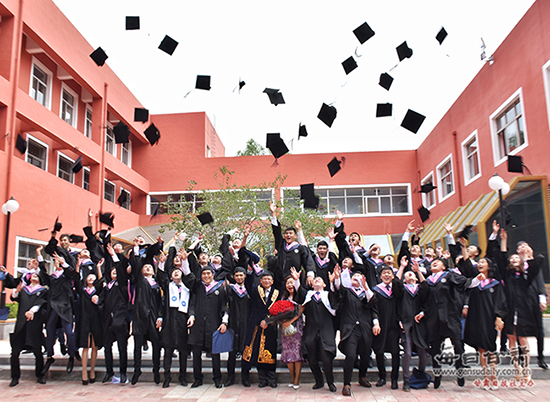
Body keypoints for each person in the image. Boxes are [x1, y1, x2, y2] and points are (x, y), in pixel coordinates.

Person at [488, 223, 543, 382]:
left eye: (516, 258)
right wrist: (503, 240)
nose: (513, 260)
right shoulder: (507, 275)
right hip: (510, 310)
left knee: (523, 339)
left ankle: (526, 368)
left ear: (521, 262)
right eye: (511, 259)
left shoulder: (527, 276)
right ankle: (517, 366)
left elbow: (538, 262)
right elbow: (502, 256)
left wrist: (527, 256)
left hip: (524, 310)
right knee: (511, 338)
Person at [423, 257, 485, 388]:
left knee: (457, 345)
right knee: (435, 348)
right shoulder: (428, 281)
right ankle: (437, 374)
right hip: (434, 318)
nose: (434, 262)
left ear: (444, 266)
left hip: (450, 315)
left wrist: (477, 280)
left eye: (438, 261)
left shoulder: (450, 276)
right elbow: (424, 300)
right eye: (433, 262)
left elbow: (466, 283)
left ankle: (460, 371)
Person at [181, 250, 228, 388]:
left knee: (215, 354)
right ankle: (198, 379)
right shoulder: (198, 286)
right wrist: (184, 261)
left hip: (214, 325)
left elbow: (225, 306)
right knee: (196, 354)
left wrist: (224, 322)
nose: (206, 276)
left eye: (209, 273)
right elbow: (188, 276)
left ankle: (217, 378)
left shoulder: (219, 288)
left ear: (213, 275)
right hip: (198, 325)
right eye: (204, 274)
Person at [331, 265, 380, 396]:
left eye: (360, 277)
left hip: (365, 329)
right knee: (351, 355)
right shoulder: (347, 292)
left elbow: (372, 304)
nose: (357, 278)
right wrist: (337, 278)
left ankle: (362, 377)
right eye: (354, 277)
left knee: (365, 354)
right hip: (350, 329)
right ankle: (346, 384)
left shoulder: (367, 293)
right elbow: (339, 289)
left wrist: (366, 287)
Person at [462, 252, 507, 390]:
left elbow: (500, 301)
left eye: (483, 262)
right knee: (481, 348)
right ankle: (486, 377)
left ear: (489, 266)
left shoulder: (495, 284)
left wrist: (499, 317)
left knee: (491, 347)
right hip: (476, 318)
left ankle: (494, 376)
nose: (480, 264)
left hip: (489, 318)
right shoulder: (475, 283)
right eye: (479, 262)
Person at [0, 265, 48, 387]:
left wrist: (32, 311)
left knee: (37, 351)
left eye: (36, 275)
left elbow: (41, 303)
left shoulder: (43, 291)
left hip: (34, 324)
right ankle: (15, 377)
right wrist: (16, 291)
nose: (34, 276)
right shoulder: (24, 290)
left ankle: (40, 375)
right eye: (32, 275)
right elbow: (14, 298)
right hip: (21, 324)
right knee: (15, 352)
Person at [292, 268, 338, 393]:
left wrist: (333, 282)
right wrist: (296, 280)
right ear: (311, 285)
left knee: (326, 358)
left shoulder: (328, 295)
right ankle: (319, 381)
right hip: (311, 330)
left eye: (320, 279)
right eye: (315, 280)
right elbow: (300, 292)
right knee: (311, 358)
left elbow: (335, 297)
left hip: (326, 330)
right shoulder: (309, 295)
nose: (317, 280)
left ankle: (330, 382)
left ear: (324, 284)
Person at [129, 237, 164, 385]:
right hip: (140, 316)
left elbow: (161, 302)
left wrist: (160, 317)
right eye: (145, 267)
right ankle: (137, 370)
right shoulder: (140, 280)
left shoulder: (157, 283)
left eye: (150, 267)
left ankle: (156, 370)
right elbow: (137, 264)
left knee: (156, 344)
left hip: (153, 316)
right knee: (137, 345)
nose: (148, 268)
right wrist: (136, 248)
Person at [40, 253, 79, 375]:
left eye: (60, 262)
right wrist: (40, 259)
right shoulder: (52, 277)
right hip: (52, 307)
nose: (58, 263)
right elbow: (43, 276)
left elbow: (75, 275)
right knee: (50, 332)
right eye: (56, 262)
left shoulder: (67, 276)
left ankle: (71, 355)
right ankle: (50, 356)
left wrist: (64, 263)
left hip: (65, 307)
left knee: (69, 332)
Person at [157, 249, 191, 388]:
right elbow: (161, 276)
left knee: (183, 351)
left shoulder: (187, 288)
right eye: (174, 272)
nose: (176, 273)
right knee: (168, 351)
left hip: (182, 320)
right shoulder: (168, 286)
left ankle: (183, 377)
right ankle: (167, 377)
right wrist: (161, 263)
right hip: (170, 320)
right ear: (170, 277)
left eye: (178, 271)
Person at [242, 270, 281, 388]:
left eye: (269, 279)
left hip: (271, 325)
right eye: (265, 279)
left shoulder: (277, 293)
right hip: (256, 323)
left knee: (270, 350)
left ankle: (272, 379)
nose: (267, 281)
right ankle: (262, 379)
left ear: (272, 281)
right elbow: (248, 284)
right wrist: (250, 272)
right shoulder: (256, 290)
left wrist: (269, 321)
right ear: (261, 280)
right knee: (258, 349)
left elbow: (279, 310)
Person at [396, 258, 429, 392]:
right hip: (405, 323)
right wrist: (402, 267)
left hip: (419, 324)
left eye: (412, 274)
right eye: (407, 275)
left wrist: (418, 271)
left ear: (416, 278)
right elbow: (396, 283)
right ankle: (406, 381)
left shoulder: (420, 289)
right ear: (404, 280)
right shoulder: (403, 290)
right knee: (408, 353)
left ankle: (420, 375)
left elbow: (426, 289)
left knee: (422, 352)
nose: (410, 275)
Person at [102, 244, 131, 384]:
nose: (114, 272)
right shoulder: (106, 287)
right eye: (112, 271)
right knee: (107, 346)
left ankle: (123, 372)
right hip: (108, 320)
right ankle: (109, 372)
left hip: (120, 319)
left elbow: (119, 268)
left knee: (121, 347)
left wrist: (114, 255)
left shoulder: (122, 284)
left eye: (116, 271)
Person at [371, 264, 403, 390]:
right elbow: (373, 308)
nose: (386, 275)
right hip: (381, 324)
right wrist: (376, 322)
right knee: (379, 351)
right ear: (380, 276)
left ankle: (394, 379)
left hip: (393, 324)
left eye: (389, 273)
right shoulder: (376, 290)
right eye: (384, 273)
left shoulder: (396, 290)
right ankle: (382, 377)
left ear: (393, 276)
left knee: (395, 352)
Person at [270, 201, 314, 288]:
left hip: (294, 280)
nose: (288, 235)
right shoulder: (281, 245)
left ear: (295, 236)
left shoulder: (300, 248)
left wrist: (310, 274)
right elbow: (277, 232)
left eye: (290, 233)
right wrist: (273, 214)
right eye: (286, 233)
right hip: (280, 281)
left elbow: (308, 260)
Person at [75, 258, 105, 385]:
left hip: (96, 319)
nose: (91, 278)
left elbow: (101, 282)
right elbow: (77, 280)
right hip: (84, 319)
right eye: (89, 277)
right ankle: (84, 371)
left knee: (94, 346)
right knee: (85, 345)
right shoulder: (83, 291)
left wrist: (98, 268)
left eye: (93, 277)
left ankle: (92, 370)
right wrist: (77, 265)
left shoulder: (98, 292)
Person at [226, 266, 251, 387]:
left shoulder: (249, 290)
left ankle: (245, 377)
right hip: (233, 323)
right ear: (234, 277)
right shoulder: (230, 289)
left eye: (241, 275)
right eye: (237, 275)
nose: (239, 277)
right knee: (232, 352)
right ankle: (230, 377)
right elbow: (226, 305)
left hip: (246, 324)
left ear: (245, 276)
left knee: (245, 351)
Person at [279, 275, 305, 390]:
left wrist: (291, 321)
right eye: (288, 283)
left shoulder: (300, 296)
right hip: (285, 327)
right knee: (288, 352)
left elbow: (301, 310)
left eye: (292, 282)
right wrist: (283, 321)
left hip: (297, 326)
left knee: (296, 353)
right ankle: (292, 377)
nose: (290, 285)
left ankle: (297, 378)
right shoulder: (283, 297)